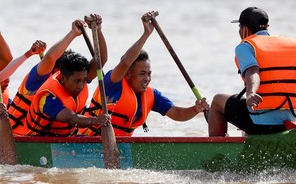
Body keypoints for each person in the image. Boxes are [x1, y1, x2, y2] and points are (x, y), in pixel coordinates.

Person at [208, 7, 296, 136]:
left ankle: (216, 148)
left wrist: (251, 92)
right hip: (290, 122)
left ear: (245, 29)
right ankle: (248, 137)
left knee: (218, 100)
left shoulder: (245, 46)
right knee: (244, 104)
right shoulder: (290, 44)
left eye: (239, 28)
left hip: (260, 125)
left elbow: (253, 72)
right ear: (266, 26)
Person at [81, 11, 209, 136]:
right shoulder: (113, 83)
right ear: (128, 74)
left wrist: (195, 109)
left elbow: (176, 113)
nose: (147, 78)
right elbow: (125, 62)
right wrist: (146, 34)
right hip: (84, 140)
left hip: (118, 148)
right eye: (142, 74)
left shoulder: (151, 95)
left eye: (149, 74)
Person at [21, 15, 110, 137]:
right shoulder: (48, 97)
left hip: (68, 138)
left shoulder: (80, 76)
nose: (81, 85)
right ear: (63, 78)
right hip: (38, 141)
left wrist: (98, 30)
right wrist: (95, 121)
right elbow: (70, 118)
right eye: (77, 81)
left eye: (84, 80)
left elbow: (101, 59)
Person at [0, 40, 46, 130]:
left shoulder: (5, 101)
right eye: (4, 74)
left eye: (8, 75)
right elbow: (2, 75)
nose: (7, 80)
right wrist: (28, 54)